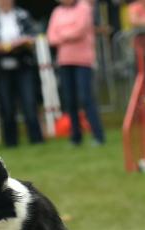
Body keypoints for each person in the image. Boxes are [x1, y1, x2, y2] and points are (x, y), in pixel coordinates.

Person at [0, 0, 44, 147]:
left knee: (29, 102)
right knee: (6, 105)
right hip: (1, 66)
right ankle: (10, 142)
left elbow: (34, 36)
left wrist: (24, 42)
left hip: (23, 64)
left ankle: (36, 139)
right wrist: (3, 46)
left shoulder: (22, 15)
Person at [47, 0, 106, 146]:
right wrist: (67, 34)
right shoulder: (57, 12)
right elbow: (51, 37)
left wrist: (62, 34)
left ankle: (98, 135)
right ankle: (75, 137)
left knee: (86, 98)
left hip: (83, 61)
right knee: (70, 100)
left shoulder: (84, 7)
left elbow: (80, 30)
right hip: (64, 61)